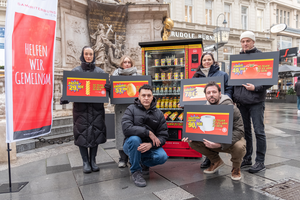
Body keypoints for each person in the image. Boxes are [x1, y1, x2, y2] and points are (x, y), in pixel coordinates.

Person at [182, 81, 246, 181]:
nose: (211, 95)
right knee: (193, 143)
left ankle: (236, 168)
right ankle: (216, 161)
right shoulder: (203, 109)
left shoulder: (232, 108)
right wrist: (192, 136)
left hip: (230, 142)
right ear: (205, 96)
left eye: (214, 92)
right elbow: (199, 127)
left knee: (239, 146)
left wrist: (221, 144)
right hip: (211, 140)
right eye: (208, 93)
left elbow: (240, 131)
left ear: (220, 93)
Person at [61, 46, 110, 173]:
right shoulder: (76, 71)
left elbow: (105, 92)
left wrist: (108, 88)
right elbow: (70, 88)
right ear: (82, 55)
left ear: (93, 56)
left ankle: (93, 160)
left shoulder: (99, 72)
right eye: (86, 54)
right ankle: (85, 162)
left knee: (96, 134)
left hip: (96, 110)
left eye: (91, 54)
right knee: (82, 135)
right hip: (81, 111)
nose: (88, 56)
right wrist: (65, 97)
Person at [233, 31, 271, 173]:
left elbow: (269, 80)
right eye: (243, 41)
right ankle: (247, 158)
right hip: (241, 102)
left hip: (256, 101)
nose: (245, 44)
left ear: (253, 42)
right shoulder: (238, 60)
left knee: (259, 131)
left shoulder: (261, 57)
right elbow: (233, 81)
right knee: (246, 132)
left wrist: (256, 88)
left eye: (248, 41)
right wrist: (234, 97)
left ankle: (260, 161)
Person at [122, 84, 169, 187]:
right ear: (139, 97)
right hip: (131, 145)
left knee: (162, 157)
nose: (146, 98)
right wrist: (147, 132)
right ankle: (136, 171)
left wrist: (151, 145)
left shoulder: (159, 114)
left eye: (149, 95)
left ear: (153, 97)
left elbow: (163, 136)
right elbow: (126, 128)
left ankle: (140, 162)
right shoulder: (131, 109)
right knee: (135, 139)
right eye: (143, 95)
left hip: (149, 147)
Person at [193, 52, 233, 169]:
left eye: (209, 59)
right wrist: (185, 103)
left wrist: (226, 99)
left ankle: (212, 157)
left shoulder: (222, 74)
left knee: (215, 131)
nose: (207, 62)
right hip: (203, 108)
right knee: (205, 132)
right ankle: (209, 157)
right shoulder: (196, 76)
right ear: (201, 62)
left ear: (213, 60)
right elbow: (190, 92)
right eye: (204, 60)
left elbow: (229, 88)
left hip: (218, 107)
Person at [112, 55, 139, 168]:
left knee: (133, 133)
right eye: (124, 62)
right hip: (120, 109)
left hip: (134, 109)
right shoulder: (115, 75)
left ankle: (132, 158)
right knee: (121, 133)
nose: (127, 64)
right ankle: (122, 158)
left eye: (129, 62)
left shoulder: (137, 76)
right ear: (121, 64)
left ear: (132, 64)